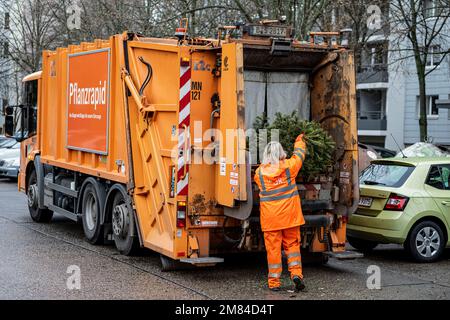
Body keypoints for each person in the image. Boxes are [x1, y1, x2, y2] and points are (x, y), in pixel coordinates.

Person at [254, 134, 307, 292]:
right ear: (281, 152)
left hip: (271, 220)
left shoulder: (259, 174)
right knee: (292, 246)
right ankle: (296, 274)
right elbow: (299, 156)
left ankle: (274, 282)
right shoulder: (290, 167)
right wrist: (299, 142)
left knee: (273, 250)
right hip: (290, 217)